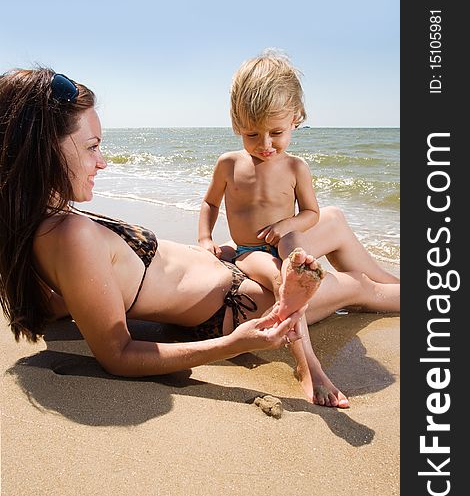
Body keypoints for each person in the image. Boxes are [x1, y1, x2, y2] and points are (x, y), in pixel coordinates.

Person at [0, 67, 344, 408]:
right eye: (92, 147)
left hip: (228, 267)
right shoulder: (67, 234)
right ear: (43, 150)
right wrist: (236, 343)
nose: (102, 162)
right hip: (240, 302)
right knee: (361, 287)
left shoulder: (43, 226)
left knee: (331, 224)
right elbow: (118, 355)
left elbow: (64, 302)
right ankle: (310, 364)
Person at [198, 50, 400, 405]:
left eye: (276, 132)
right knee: (282, 281)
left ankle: (312, 272)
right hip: (250, 253)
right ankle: (308, 366)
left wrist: (287, 222)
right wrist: (205, 238)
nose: (265, 145)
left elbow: (311, 213)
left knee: (293, 243)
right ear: (235, 124)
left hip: (288, 240)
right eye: (251, 134)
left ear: (296, 119)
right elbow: (210, 202)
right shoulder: (228, 164)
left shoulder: (296, 168)